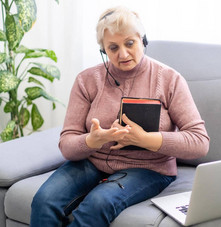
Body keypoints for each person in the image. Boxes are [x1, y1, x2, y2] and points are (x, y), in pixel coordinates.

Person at [30, 5, 209, 227]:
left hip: (149, 169)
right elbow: (67, 144)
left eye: (130, 43)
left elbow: (200, 142)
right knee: (44, 200)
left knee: (97, 204)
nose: (122, 54)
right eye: (113, 47)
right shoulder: (87, 80)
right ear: (103, 50)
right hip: (93, 161)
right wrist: (92, 140)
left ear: (142, 39)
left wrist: (145, 139)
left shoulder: (169, 79)